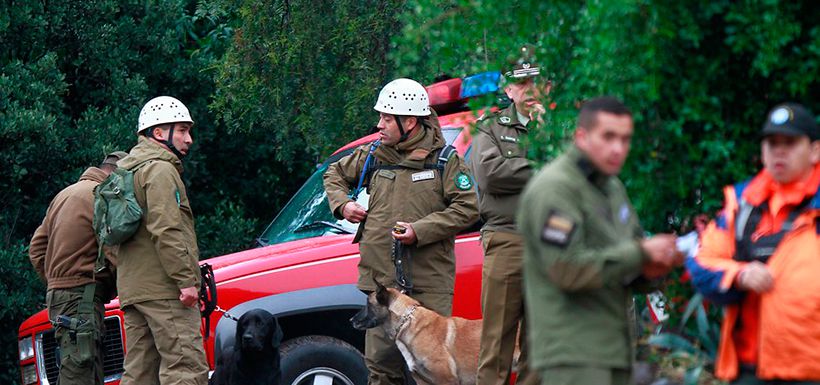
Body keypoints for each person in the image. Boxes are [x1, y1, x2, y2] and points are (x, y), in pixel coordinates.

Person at [517, 96, 683, 385]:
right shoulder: (556, 187)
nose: (618, 148)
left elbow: (625, 261)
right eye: (608, 137)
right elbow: (566, 270)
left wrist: (655, 266)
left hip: (614, 350)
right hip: (572, 354)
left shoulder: (612, 187)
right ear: (582, 136)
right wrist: (640, 253)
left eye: (625, 139)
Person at [323, 78, 479, 385]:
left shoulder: (444, 160)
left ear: (409, 121)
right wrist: (343, 205)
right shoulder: (372, 155)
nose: (379, 124)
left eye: (386, 117)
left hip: (426, 284)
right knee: (381, 369)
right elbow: (334, 173)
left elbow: (468, 208)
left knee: (432, 372)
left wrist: (419, 231)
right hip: (382, 287)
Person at [687, 102, 820, 384]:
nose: (779, 150)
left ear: (815, 151)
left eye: (791, 142)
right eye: (772, 143)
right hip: (750, 368)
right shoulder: (742, 204)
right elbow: (701, 262)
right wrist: (740, 274)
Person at [469, 46, 549, 385]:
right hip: (507, 239)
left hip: (551, 241)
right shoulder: (489, 129)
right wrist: (544, 166)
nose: (530, 90)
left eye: (536, 82)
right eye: (523, 84)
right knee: (497, 341)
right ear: (509, 90)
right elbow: (491, 176)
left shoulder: (560, 128)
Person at [116, 96, 209, 385]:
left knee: (140, 375)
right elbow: (167, 229)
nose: (189, 139)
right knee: (185, 369)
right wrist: (185, 280)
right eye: (181, 130)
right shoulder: (159, 169)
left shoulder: (126, 171)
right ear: (158, 132)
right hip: (165, 290)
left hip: (135, 290)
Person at [29, 150, 128, 385]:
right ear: (116, 175)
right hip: (82, 298)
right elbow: (114, 252)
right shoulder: (100, 195)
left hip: (61, 297)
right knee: (80, 373)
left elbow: (36, 249)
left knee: (82, 368)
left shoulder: (63, 195)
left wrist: (57, 280)